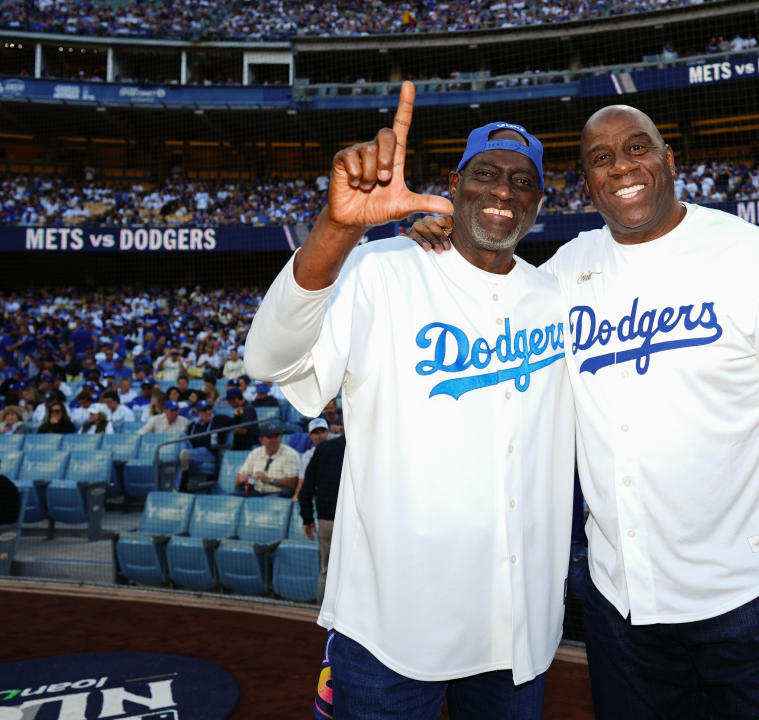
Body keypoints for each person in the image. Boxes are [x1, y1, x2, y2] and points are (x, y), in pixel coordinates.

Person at [409, 101, 759, 718]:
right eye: (600, 158)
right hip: (622, 611)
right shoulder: (563, 273)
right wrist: (443, 239)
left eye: (636, 147)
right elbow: (488, 287)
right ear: (587, 184)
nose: (621, 165)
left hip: (752, 600)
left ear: (668, 159)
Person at [245, 85, 574, 717]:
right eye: (485, 174)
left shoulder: (557, 296)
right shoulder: (382, 270)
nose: (503, 191)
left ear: (539, 200)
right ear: (454, 182)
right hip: (390, 628)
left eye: (522, 181)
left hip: (517, 627)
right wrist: (337, 228)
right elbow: (270, 361)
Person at [297, 433, 346, 603]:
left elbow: (306, 489)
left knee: (327, 571)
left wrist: (307, 518)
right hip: (356, 521)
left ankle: (322, 617)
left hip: (328, 519)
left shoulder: (324, 448)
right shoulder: (369, 448)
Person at [234, 422, 301, 496]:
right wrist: (242, 478)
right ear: (261, 441)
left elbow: (293, 482)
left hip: (278, 494)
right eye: (270, 437)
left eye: (277, 436)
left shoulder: (290, 454)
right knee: (232, 497)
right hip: (256, 493)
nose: (274, 440)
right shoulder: (254, 453)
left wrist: (269, 480)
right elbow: (238, 479)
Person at [178, 400, 232, 483]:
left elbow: (235, 422)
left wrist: (238, 414)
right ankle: (183, 456)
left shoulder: (219, 419)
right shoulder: (192, 425)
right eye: (204, 410)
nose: (207, 412)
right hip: (193, 450)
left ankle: (184, 457)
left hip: (209, 453)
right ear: (199, 413)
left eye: (209, 409)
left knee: (201, 449)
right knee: (181, 435)